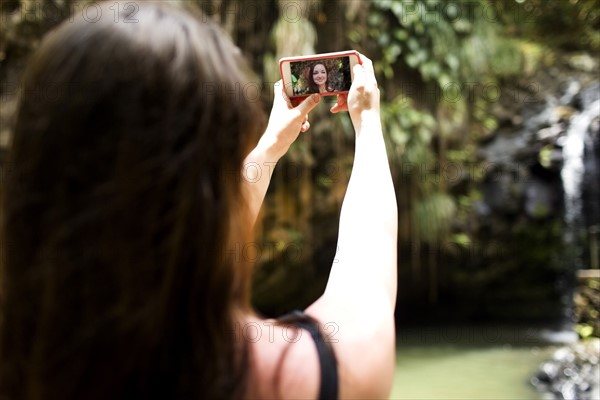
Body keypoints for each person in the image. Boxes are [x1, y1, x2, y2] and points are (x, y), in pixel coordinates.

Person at [0, 2, 397, 400]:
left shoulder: (29, 364)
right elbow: (368, 280)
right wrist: (366, 123)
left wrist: (269, 149)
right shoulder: (294, 378)